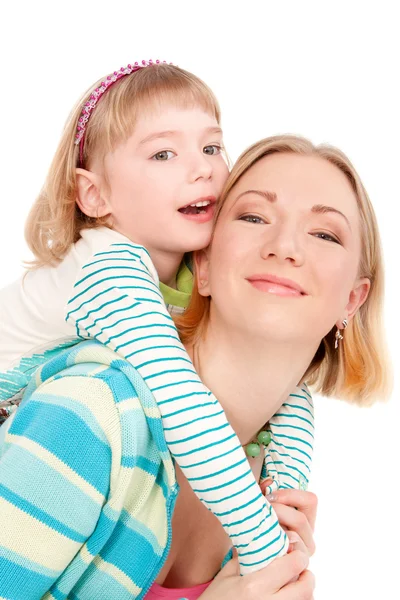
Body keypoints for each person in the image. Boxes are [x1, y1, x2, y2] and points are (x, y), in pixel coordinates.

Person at [0, 134, 389, 599]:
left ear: (352, 299)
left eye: (325, 233)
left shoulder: (270, 481)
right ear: (202, 265)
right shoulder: (94, 413)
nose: (285, 246)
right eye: (253, 216)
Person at [0, 61, 312, 574]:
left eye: (212, 147)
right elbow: (183, 402)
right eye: (164, 153)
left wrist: (285, 493)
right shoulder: (109, 269)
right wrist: (264, 546)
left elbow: (290, 385)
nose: (203, 169)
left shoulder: (198, 266)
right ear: (95, 195)